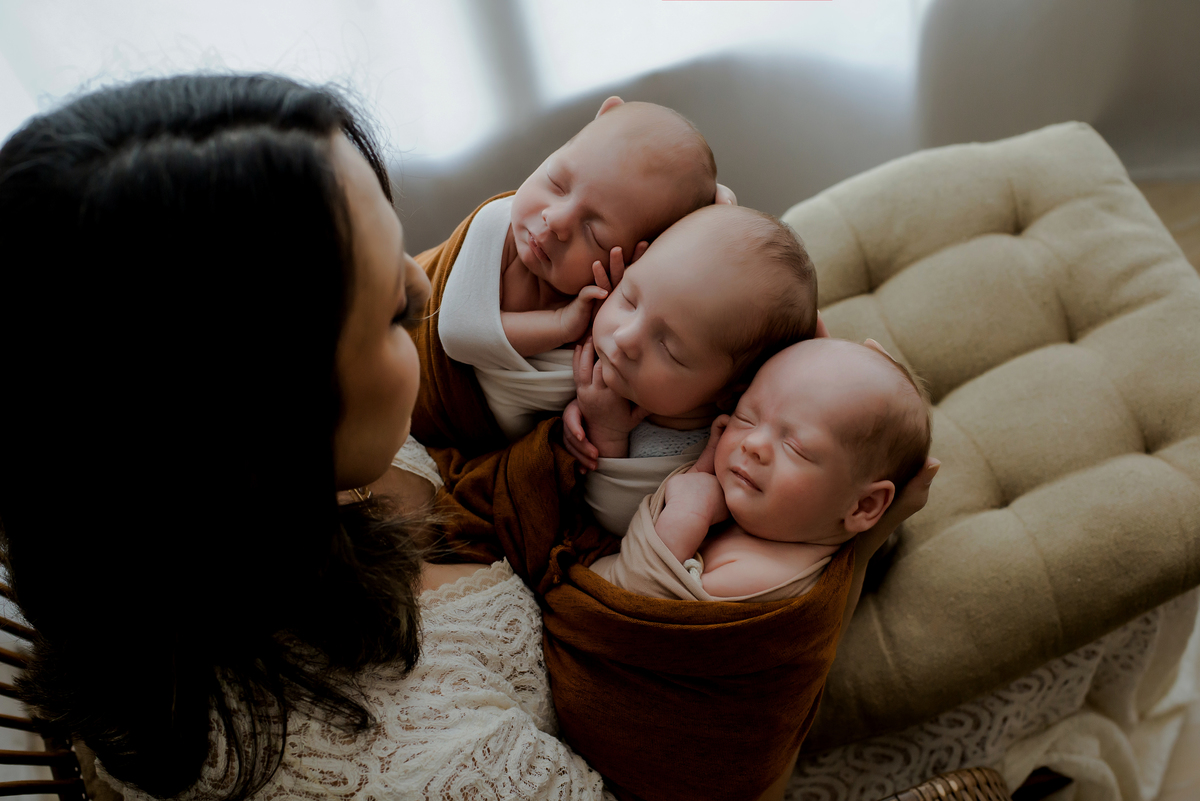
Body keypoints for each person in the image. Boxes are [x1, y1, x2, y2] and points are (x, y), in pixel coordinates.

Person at [0, 73, 937, 801]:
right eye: (385, 310)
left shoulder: (159, 508)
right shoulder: (451, 769)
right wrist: (833, 524)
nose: (424, 288)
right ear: (256, 427)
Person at [409, 98, 731, 452]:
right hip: (412, 361)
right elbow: (455, 333)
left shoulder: (612, 319)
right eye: (557, 182)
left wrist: (582, 412)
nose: (556, 219)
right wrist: (561, 324)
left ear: (641, 257)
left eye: (595, 233)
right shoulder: (494, 226)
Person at [591, 338, 932, 602]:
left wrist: (688, 511)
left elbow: (628, 597)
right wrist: (706, 463)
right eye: (746, 417)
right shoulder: (774, 519)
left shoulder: (764, 577)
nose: (753, 443)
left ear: (864, 506)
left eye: (795, 447)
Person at [565, 204, 819, 535]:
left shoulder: (710, 459)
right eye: (628, 299)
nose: (624, 337)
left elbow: (619, 519)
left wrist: (606, 430)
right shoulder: (626, 364)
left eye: (668, 348)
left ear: (731, 391)